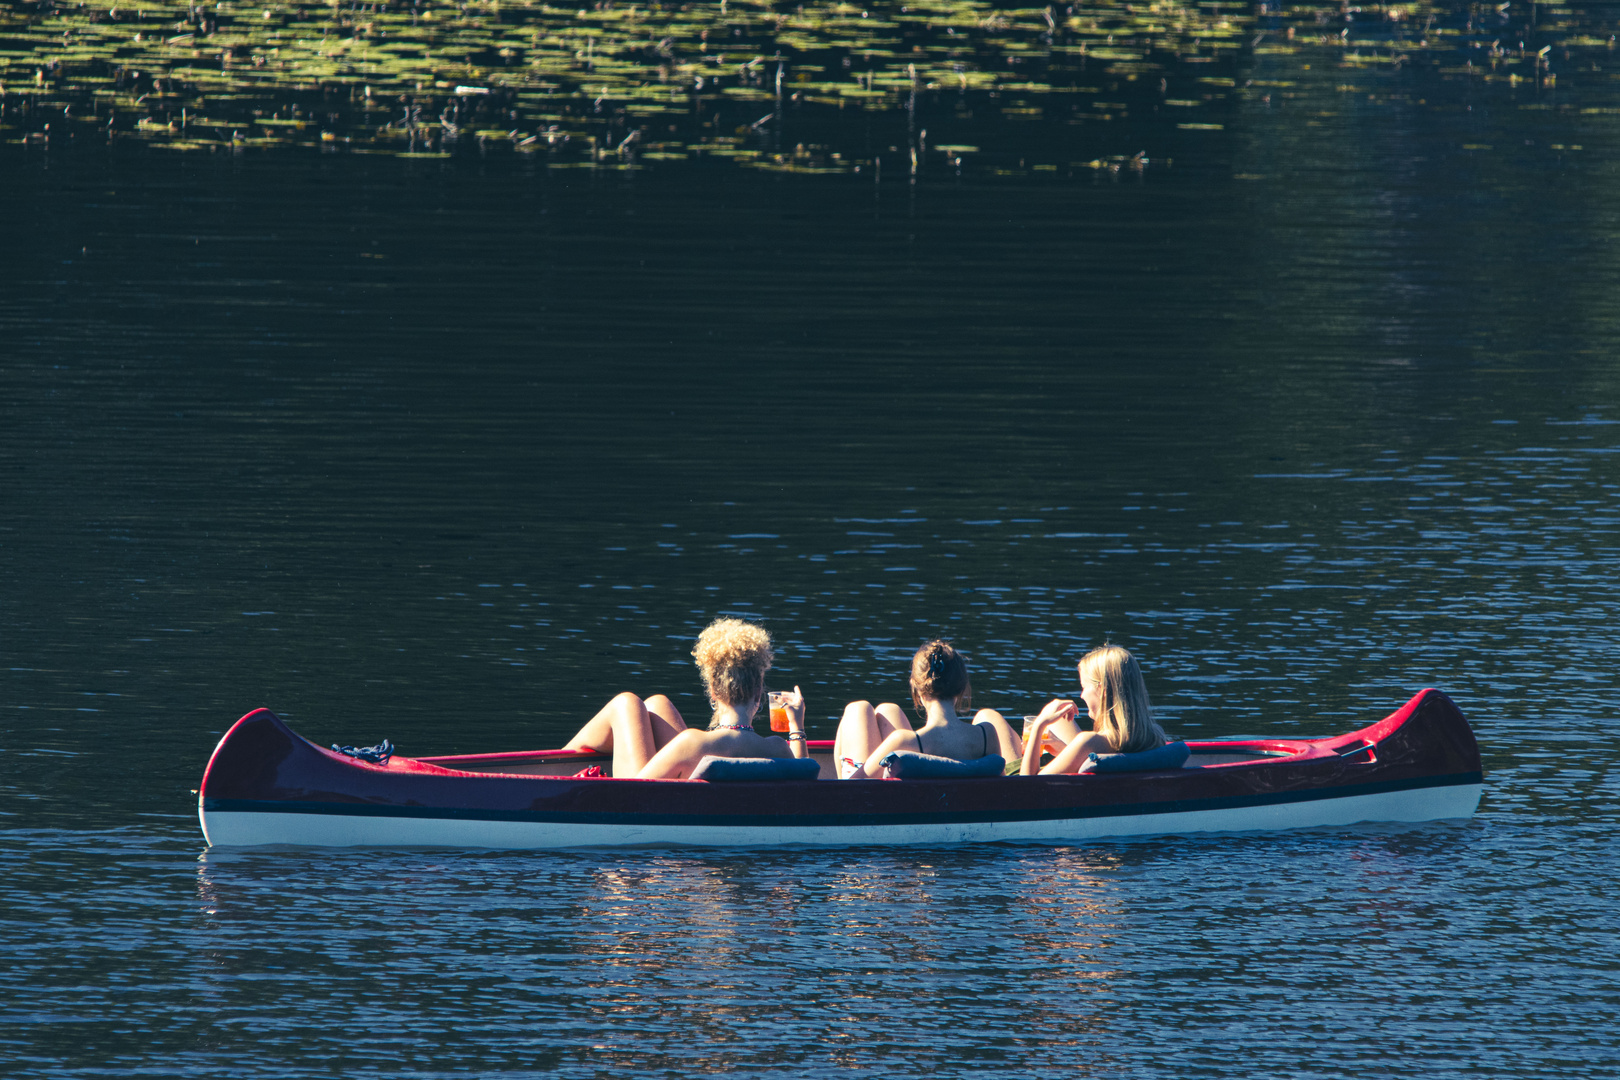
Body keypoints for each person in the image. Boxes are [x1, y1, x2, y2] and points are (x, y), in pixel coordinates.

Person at [561, 618, 807, 779]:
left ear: (712, 689)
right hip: (728, 810)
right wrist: (797, 727)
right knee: (658, 704)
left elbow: (632, 792)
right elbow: (806, 780)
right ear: (758, 690)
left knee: (626, 703)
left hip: (645, 809)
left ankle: (553, 776)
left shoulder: (692, 744)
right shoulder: (777, 749)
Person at [834, 639, 1020, 778]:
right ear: (961, 689)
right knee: (888, 710)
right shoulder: (987, 734)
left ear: (917, 688)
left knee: (857, 709)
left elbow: (853, 787)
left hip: (896, 810)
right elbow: (998, 786)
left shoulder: (904, 741)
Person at [1020, 644, 1167, 775]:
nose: (1081, 695)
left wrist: (1039, 724)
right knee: (1060, 721)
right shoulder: (1155, 735)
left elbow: (1028, 785)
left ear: (1102, 690)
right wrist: (1065, 751)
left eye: (1084, 688)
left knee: (995, 718)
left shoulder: (1089, 742)